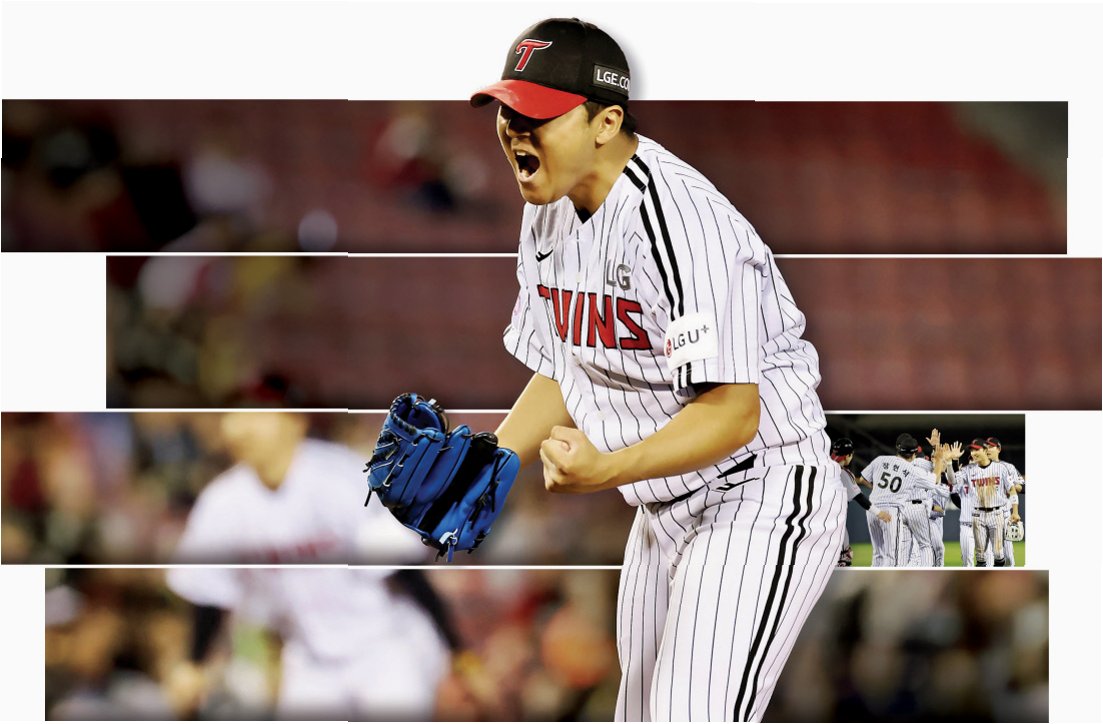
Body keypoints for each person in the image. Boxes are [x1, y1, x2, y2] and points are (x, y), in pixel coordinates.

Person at [470, 18, 846, 721]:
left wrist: (605, 470)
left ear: (605, 122)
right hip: (663, 507)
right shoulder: (549, 209)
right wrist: (489, 463)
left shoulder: (679, 224)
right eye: (507, 110)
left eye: (538, 114)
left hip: (757, 491)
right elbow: (569, 365)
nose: (515, 128)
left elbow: (732, 413)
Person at [165, 412, 452, 719]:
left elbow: (405, 570)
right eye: (234, 417)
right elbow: (209, 593)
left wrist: (455, 645)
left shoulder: (341, 474)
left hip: (382, 645)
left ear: (294, 422)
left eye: (257, 416)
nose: (243, 429)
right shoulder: (222, 502)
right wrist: (194, 663)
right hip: (309, 657)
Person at [856, 433, 943, 567]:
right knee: (893, 556)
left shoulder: (880, 459)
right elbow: (934, 481)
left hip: (873, 509)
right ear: (914, 454)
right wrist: (939, 459)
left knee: (878, 553)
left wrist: (876, 489)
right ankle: (890, 580)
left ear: (898, 449)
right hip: (891, 511)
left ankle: (875, 578)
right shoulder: (911, 469)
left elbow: (862, 479)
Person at [951, 438, 1020, 567]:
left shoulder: (1001, 468)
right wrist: (954, 462)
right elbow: (953, 481)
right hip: (978, 515)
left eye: (976, 450)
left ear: (985, 450)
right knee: (981, 557)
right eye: (971, 450)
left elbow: (1012, 490)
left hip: (997, 514)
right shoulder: (968, 470)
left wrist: (1015, 512)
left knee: (999, 555)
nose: (973, 453)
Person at [830, 437, 890, 567]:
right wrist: (879, 513)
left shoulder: (822, 468)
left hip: (816, 524)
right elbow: (859, 497)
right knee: (843, 559)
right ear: (848, 455)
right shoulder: (842, 473)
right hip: (834, 525)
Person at [984, 437, 1024, 565]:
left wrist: (1010, 486)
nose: (988, 449)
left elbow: (1022, 487)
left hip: (1004, 514)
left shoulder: (1008, 467)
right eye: (986, 447)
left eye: (991, 446)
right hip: (985, 515)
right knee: (988, 556)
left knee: (1008, 556)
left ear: (998, 449)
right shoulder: (979, 467)